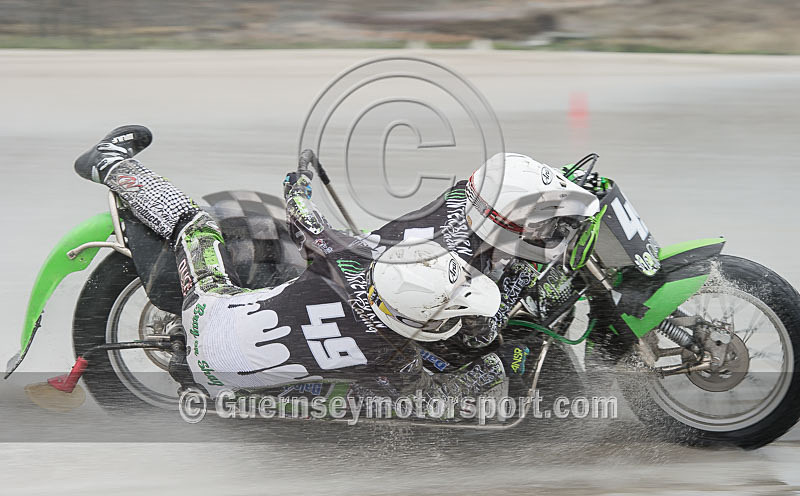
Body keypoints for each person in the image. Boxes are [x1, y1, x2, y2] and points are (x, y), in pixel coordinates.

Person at [73, 125, 537, 417]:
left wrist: (298, 183)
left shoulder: (347, 266)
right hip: (209, 384)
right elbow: (453, 381)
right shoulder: (397, 362)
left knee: (195, 224)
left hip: (204, 313)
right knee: (331, 400)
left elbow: (301, 215)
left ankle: (109, 165)